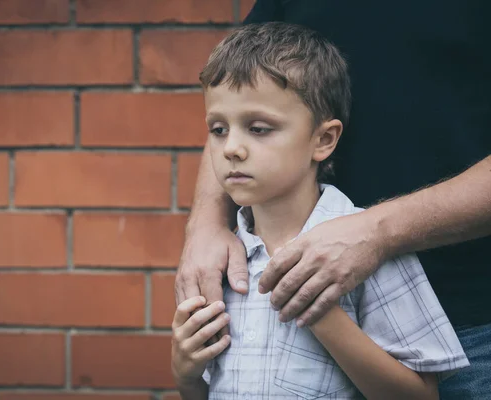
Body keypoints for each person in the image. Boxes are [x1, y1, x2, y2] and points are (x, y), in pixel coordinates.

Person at [175, 2, 491, 398]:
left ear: (324, 139)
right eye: (217, 130)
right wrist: (187, 376)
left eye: (258, 128)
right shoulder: (231, 261)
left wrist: (322, 314)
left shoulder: (388, 266)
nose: (231, 148)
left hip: (470, 319)